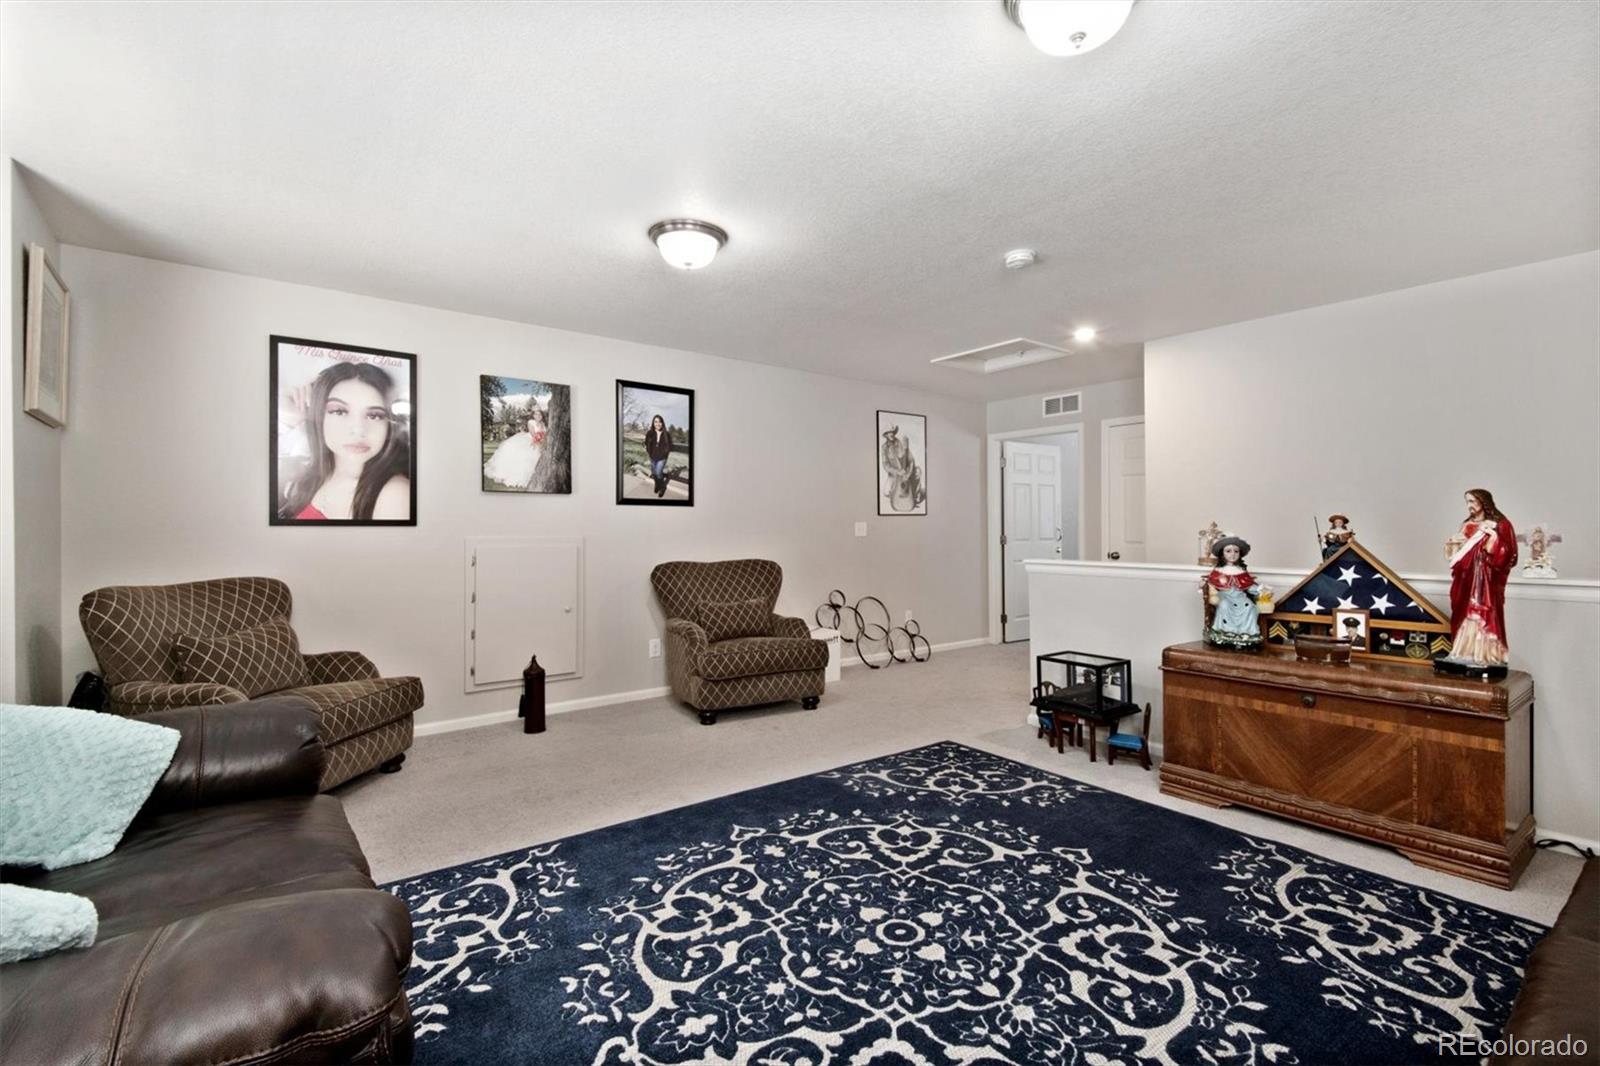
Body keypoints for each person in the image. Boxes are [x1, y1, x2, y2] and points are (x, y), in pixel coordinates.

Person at [278, 361, 410, 521]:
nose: (359, 430)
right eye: (339, 411)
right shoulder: (313, 473)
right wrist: (283, 407)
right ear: (318, 414)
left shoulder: (394, 495)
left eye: (374, 415)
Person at [1445, 488, 1517, 665]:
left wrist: (1493, 537)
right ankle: (1463, 651)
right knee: (1463, 610)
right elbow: (1458, 552)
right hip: (1466, 577)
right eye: (1467, 502)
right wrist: (1453, 544)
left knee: (1482, 611)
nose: (1469, 506)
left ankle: (1485, 654)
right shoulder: (1467, 524)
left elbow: (1509, 554)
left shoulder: (1500, 524)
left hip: (1486, 578)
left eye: (1472, 501)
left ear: (1483, 502)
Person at [1200, 536, 1269, 649]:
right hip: (1224, 596)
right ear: (1222, 554)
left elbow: (1249, 586)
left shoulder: (1241, 571)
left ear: (1239, 554)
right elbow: (1211, 583)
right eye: (1228, 551)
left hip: (1240, 597)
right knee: (1224, 605)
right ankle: (1225, 633)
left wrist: (1260, 589)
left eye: (1236, 551)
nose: (1232, 554)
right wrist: (1204, 585)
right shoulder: (1219, 571)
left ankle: (1247, 634)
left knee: (1251, 607)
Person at [483, 406, 547, 489]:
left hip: (541, 441)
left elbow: (545, 434)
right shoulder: (531, 422)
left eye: (540, 415)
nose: (538, 416)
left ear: (542, 416)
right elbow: (533, 434)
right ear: (533, 416)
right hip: (532, 440)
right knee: (526, 455)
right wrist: (538, 441)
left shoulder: (543, 424)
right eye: (536, 414)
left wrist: (543, 440)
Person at [644, 415, 672, 497]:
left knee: (659, 472)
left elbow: (670, 445)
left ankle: (662, 487)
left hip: (662, 458)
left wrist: (665, 454)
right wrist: (648, 451)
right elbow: (646, 443)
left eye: (660, 422)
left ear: (662, 423)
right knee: (654, 473)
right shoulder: (650, 433)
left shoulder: (667, 434)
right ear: (653, 423)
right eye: (656, 422)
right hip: (652, 457)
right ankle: (657, 484)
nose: (658, 424)